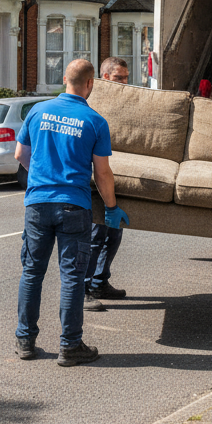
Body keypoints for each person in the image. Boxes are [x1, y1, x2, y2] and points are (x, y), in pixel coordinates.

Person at [13, 59, 129, 366]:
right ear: (91, 84)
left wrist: (42, 176)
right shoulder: (94, 121)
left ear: (65, 79)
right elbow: (102, 174)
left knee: (32, 273)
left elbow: (20, 155)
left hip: (37, 204)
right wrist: (113, 208)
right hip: (74, 206)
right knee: (72, 278)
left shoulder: (37, 111)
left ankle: (25, 341)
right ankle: (70, 346)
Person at [84, 56, 131, 312]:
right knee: (96, 233)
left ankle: (101, 281)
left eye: (126, 77)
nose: (125, 82)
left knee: (115, 232)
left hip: (114, 173)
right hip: (95, 176)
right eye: (119, 78)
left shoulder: (127, 101)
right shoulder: (94, 103)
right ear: (104, 78)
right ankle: (84, 287)